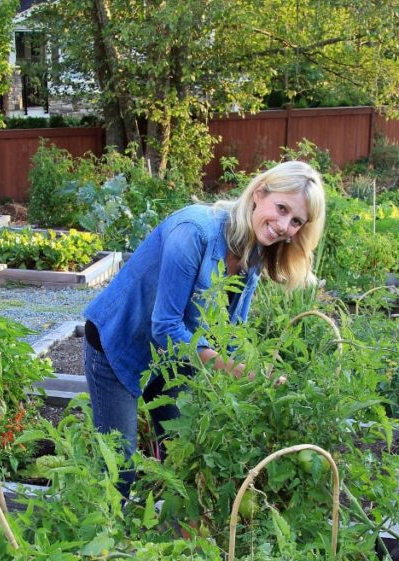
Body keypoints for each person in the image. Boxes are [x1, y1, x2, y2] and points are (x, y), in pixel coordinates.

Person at [82, 160, 327, 494]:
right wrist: (236, 371)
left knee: (185, 455)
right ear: (259, 193)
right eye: (281, 208)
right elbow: (166, 327)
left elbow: (230, 331)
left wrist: (258, 374)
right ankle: (103, 540)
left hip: (173, 359)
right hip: (120, 343)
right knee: (118, 468)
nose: (284, 226)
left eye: (296, 221)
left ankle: (170, 540)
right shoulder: (194, 232)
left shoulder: (252, 252)